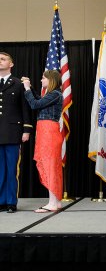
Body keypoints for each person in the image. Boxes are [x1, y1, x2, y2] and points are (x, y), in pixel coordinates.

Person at [22, 70, 63, 213]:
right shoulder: (52, 94)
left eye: (43, 78)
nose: (41, 80)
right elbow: (39, 99)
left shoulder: (55, 94)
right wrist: (31, 88)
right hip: (46, 129)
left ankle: (52, 202)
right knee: (52, 164)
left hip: (48, 131)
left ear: (51, 80)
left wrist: (27, 89)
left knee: (49, 164)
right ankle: (56, 201)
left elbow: (34, 104)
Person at [0, 52, 32, 213]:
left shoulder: (18, 83)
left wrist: (26, 130)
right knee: (0, 170)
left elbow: (24, 109)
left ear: (11, 64)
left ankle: (11, 202)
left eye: (3, 59)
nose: (0, 61)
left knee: (12, 169)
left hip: (13, 132)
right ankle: (1, 201)